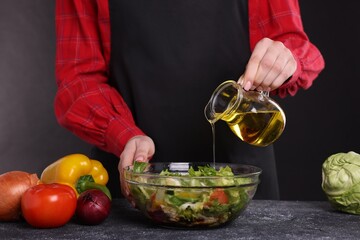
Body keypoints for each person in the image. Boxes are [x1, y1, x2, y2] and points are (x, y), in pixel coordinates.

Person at [54, 0, 325, 200]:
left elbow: (295, 45)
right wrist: (123, 134)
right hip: (137, 181)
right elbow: (78, 79)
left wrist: (285, 59)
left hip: (241, 187)